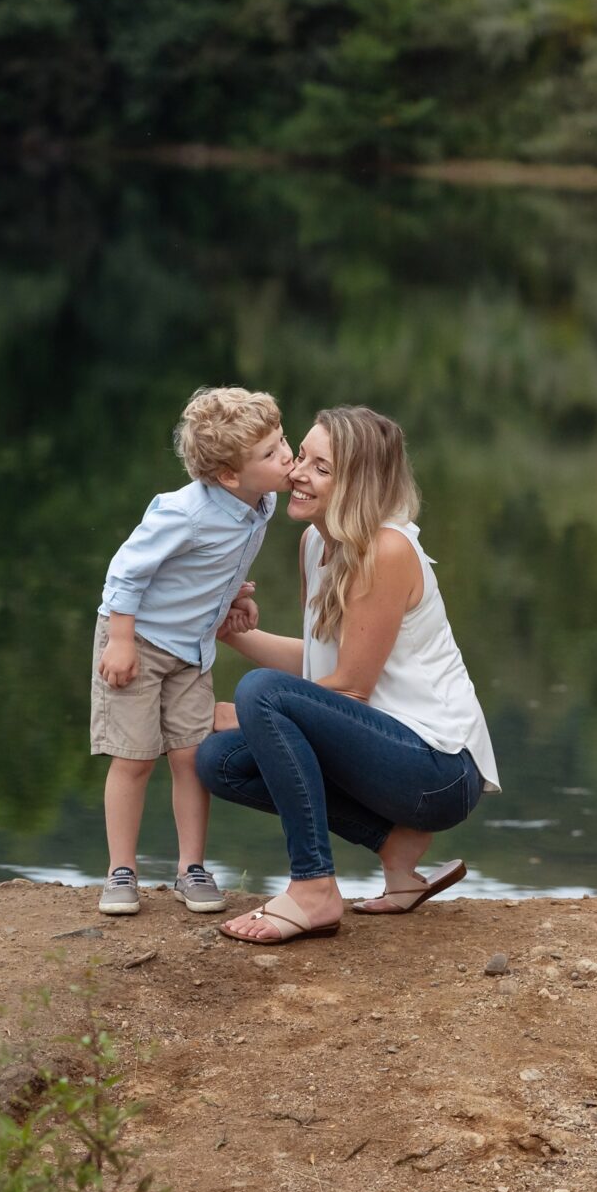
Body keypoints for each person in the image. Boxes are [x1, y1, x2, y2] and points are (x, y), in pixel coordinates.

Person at [195, 405, 499, 947]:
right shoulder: (317, 543)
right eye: (301, 457)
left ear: (358, 484)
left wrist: (246, 712)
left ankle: (313, 887)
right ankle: (395, 850)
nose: (296, 473)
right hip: (385, 753)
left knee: (259, 696)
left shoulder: (386, 550)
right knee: (219, 763)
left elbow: (349, 688)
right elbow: (319, 669)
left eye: (322, 467)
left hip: (439, 768)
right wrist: (233, 632)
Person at [91, 385, 294, 917]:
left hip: (194, 649)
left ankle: (190, 869)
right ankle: (121, 871)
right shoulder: (184, 512)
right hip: (137, 642)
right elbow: (126, 572)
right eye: (271, 454)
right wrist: (119, 640)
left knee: (190, 757)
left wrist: (234, 598)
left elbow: (218, 564)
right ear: (229, 475)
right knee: (134, 758)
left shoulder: (264, 502)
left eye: (283, 442)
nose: (288, 456)